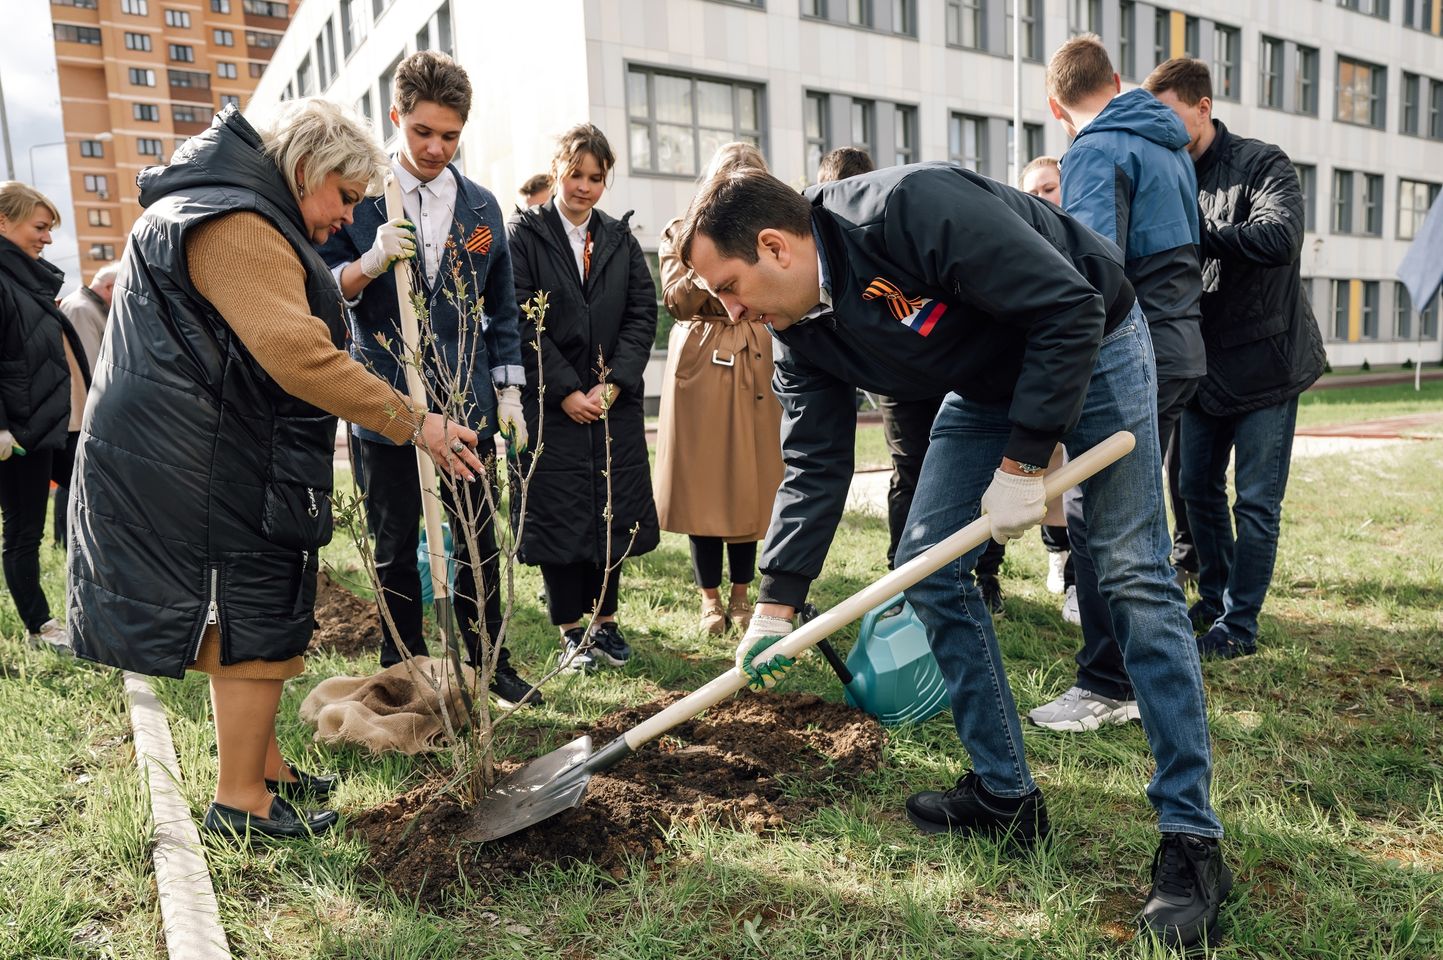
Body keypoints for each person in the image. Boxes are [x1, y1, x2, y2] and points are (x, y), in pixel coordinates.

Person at [679, 164, 1232, 950]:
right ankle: (1006, 795)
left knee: (1129, 576)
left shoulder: (908, 211)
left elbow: (1067, 307)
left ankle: (1191, 843)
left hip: (1091, 335)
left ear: (775, 246)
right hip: (984, 380)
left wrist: (1021, 467)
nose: (730, 309)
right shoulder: (795, 329)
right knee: (929, 565)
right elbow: (813, 462)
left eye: (729, 286)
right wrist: (774, 604)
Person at [68, 99, 485, 841]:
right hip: (204, 453)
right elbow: (296, 353)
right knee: (245, 608)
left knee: (244, 612)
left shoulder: (220, 208)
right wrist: (413, 421)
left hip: (201, 443)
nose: (347, 218)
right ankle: (242, 804)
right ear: (304, 170)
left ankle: (265, 770)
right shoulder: (235, 225)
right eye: (344, 197)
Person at [319, 51, 539, 708]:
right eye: (422, 133)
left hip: (465, 401)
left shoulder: (480, 207)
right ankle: (400, 670)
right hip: (384, 399)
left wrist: (508, 393)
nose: (436, 147)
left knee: (476, 538)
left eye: (449, 135)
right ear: (396, 118)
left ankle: (489, 662)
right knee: (392, 543)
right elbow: (323, 289)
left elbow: (501, 310)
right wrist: (370, 258)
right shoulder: (358, 196)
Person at [1029, 34, 1205, 734]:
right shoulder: (1167, 144)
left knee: (1094, 515)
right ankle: (1143, 676)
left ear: (1053, 105)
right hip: (1181, 344)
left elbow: (1090, 273)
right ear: (1118, 79)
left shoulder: (1096, 151)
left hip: (1136, 351)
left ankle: (1107, 683)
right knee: (1136, 526)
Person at [1144, 58, 1326, 659]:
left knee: (1255, 501)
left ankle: (1239, 625)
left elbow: (1280, 238)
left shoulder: (1262, 162)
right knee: (1195, 488)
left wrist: (1196, 236)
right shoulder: (1166, 171)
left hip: (1270, 364)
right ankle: (1215, 595)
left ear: (1203, 107)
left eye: (1171, 116)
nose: (1163, 130)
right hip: (1203, 365)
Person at [506, 123, 659, 671]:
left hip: (612, 402)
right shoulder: (524, 237)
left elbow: (644, 314)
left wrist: (614, 382)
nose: (585, 187)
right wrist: (567, 389)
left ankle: (606, 622)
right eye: (575, 175)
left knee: (609, 510)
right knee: (561, 513)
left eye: (596, 177)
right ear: (557, 171)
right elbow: (522, 318)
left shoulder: (619, 239)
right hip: (552, 405)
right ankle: (572, 629)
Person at [655, 142, 783, 636]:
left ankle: (742, 595)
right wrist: (714, 264)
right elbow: (676, 299)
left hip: (757, 355)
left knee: (750, 484)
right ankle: (710, 600)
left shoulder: (770, 234)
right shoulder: (680, 232)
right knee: (704, 485)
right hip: (703, 363)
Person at [0, 181, 84, 654]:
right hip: (18, 433)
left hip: (46, 424)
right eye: (40, 227)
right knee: (24, 530)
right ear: (2, 222)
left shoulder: (22, 279)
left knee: (90, 507)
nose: (48, 239)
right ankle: (39, 627)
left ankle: (90, 607)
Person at [53, 260, 119, 548]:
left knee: (75, 477)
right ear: (109, 287)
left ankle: (64, 538)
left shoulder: (89, 306)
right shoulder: (81, 308)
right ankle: (65, 539)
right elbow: (91, 365)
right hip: (79, 410)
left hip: (80, 408)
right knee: (75, 477)